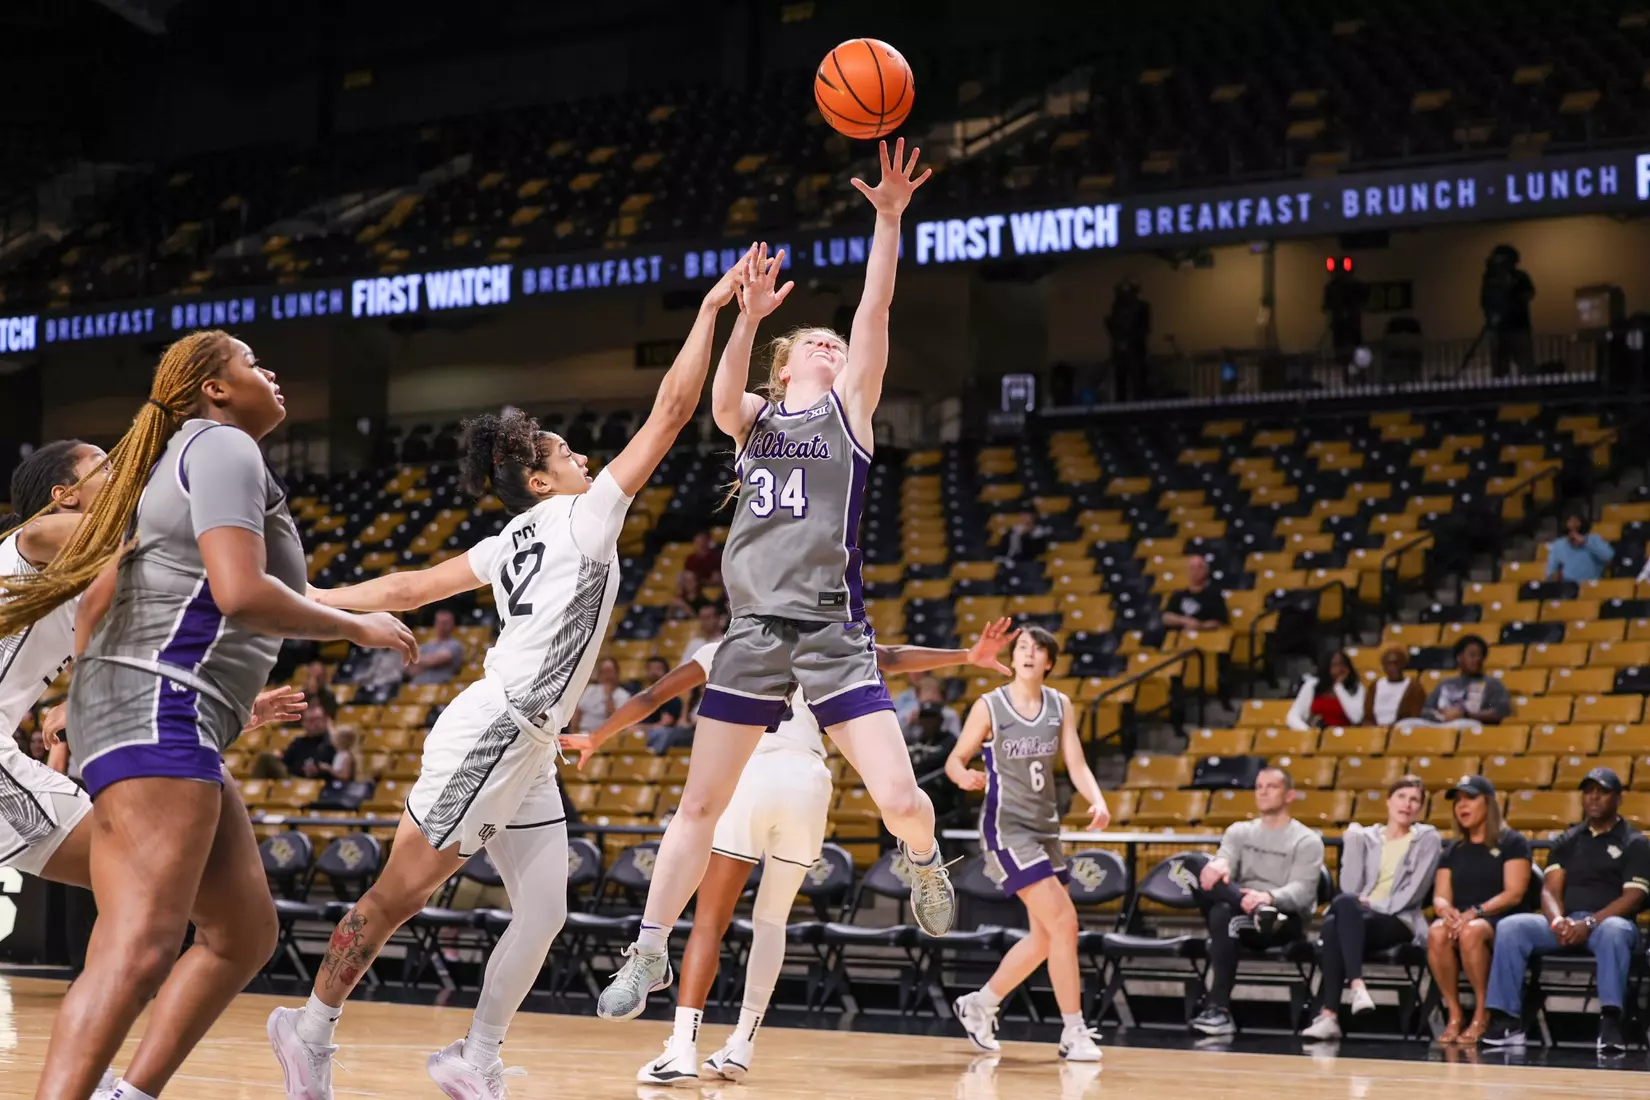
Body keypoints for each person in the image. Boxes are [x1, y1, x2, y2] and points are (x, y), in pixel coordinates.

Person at [268, 249, 751, 1100]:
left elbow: (409, 588)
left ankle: (475, 1056)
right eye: (566, 452)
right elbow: (674, 411)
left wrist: (315, 597)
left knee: (545, 909)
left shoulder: (509, 540)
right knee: (397, 897)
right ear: (539, 480)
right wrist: (710, 310)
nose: (584, 457)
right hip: (497, 727)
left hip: (525, 743)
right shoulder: (581, 516)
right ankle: (308, 1031)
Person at [2, 330, 415, 1100]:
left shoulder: (143, 524)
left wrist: (100, 698)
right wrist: (354, 625)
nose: (121, 472)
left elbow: (117, 610)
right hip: (109, 729)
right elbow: (228, 589)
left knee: (241, 930)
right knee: (140, 936)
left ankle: (126, 1093)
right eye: (102, 469)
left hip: (163, 714)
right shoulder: (62, 532)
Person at [597, 141, 951, 1024]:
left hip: (832, 630)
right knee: (699, 804)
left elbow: (876, 305)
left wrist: (888, 218)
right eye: (815, 341)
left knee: (902, 800)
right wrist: (747, 317)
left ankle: (923, 861)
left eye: (838, 343)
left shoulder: (851, 410)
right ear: (785, 366)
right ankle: (647, 948)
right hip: (751, 630)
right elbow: (721, 402)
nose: (833, 342)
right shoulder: (753, 421)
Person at [565, 619, 1014, 1084]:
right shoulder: (824, 645)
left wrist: (598, 736)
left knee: (709, 922)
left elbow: (651, 697)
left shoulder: (726, 648)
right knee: (772, 921)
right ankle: (742, 1044)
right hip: (808, 783)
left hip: (750, 775)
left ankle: (682, 1048)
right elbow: (892, 657)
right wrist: (966, 655)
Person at [948, 627, 1110, 1062]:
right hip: (1007, 829)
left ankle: (979, 1004)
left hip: (1045, 829)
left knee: (1044, 938)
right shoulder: (990, 705)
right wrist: (962, 775)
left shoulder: (1060, 705)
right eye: (1021, 647)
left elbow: (1076, 762)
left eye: (1037, 649)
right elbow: (955, 759)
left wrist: (1097, 800)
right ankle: (1073, 1031)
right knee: (1066, 922)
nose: (1028, 654)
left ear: (1049, 662)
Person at [1481, 767, 1649, 1052]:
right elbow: (1550, 889)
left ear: (1619, 799)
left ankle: (1611, 1022)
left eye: (1603, 792)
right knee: (1512, 926)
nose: (1594, 797)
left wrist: (1590, 923)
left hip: (1609, 924)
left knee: (1614, 931)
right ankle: (1506, 1020)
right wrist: (1557, 921)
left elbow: (1633, 897)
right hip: (1568, 923)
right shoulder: (1568, 839)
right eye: (1589, 791)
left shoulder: (1634, 842)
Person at [1300, 776, 1440, 1040]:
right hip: (1358, 917)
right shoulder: (1366, 837)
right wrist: (1353, 843)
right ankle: (1355, 989)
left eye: (1414, 800)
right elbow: (1350, 887)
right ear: (1388, 801)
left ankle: (1331, 1013)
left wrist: (1371, 904)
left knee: (1335, 920)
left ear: (1420, 809)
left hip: (1400, 919)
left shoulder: (1427, 839)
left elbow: (1413, 893)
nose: (1407, 804)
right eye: (1401, 797)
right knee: (1339, 913)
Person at [1190, 767, 1326, 1037]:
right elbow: (1224, 861)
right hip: (1244, 910)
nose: (1263, 792)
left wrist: (1269, 898)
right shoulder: (1239, 832)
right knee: (1193, 863)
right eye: (1259, 786)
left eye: (1271, 787)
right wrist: (1219, 865)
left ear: (1289, 795)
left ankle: (1219, 1010)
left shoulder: (1306, 840)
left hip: (1282, 920)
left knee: (1223, 915)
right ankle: (1251, 907)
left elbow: (1303, 892)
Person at [1427, 775, 1532, 1044]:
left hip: (1500, 920)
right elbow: (1441, 896)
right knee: (1437, 932)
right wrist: (1446, 911)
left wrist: (1476, 912)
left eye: (1470, 798)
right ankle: (1454, 1014)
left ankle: (1483, 1013)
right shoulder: (1453, 850)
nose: (1462, 805)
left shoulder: (1512, 842)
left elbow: (1514, 893)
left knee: (1471, 931)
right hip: (1463, 918)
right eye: (1458, 801)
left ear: (1489, 803)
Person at [1417, 635, 1512, 727]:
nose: (1477, 659)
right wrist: (1440, 714)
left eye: (1480, 656)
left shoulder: (1492, 684)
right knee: (1410, 723)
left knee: (1463, 724)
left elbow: (1500, 712)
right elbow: (1427, 709)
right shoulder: (1445, 683)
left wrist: (1465, 714)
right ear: (1459, 658)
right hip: (1439, 723)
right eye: (1472, 655)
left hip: (1469, 726)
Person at [1480, 244, 1535, 378]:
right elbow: (1485, 301)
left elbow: (1527, 295)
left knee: (1526, 367)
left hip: (1518, 328)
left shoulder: (1520, 276)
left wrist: (1511, 289)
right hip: (1499, 331)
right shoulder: (1490, 279)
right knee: (1500, 368)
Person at [1285, 650, 1366, 731]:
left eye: (1343, 665)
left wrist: (1338, 687)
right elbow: (1292, 717)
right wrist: (1310, 733)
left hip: (1346, 735)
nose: (1340, 669)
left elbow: (1356, 718)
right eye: (1335, 665)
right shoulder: (1313, 685)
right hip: (1317, 734)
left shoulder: (1356, 687)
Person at [1160, 555, 1228, 631]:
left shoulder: (1214, 596)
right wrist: (1185, 621)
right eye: (1192, 568)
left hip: (1203, 635)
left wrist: (1199, 626)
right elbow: (1166, 617)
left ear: (1206, 571)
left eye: (1199, 567)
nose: (1195, 571)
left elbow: (1219, 622)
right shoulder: (1178, 595)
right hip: (1178, 634)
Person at [1544, 511, 1613, 582]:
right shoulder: (1559, 544)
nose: (1573, 524)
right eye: (1570, 521)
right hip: (1568, 586)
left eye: (1576, 521)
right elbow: (1550, 572)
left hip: (1592, 584)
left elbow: (1609, 556)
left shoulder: (1594, 539)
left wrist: (1585, 542)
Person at [570, 657, 630, 736]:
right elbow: (578, 712)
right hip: (584, 733)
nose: (607, 675)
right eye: (604, 672)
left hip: (608, 736)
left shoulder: (623, 695)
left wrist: (608, 695)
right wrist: (574, 731)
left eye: (610, 671)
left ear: (617, 673)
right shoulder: (591, 690)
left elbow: (615, 722)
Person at [407, 607, 466, 684]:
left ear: (452, 624)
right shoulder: (427, 645)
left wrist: (420, 661)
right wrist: (425, 660)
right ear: (435, 624)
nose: (443, 626)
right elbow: (410, 667)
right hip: (418, 684)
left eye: (446, 623)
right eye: (440, 622)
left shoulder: (455, 645)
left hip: (441, 685)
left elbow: (438, 659)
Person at [1370, 647, 1426, 727]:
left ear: (1403, 665)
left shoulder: (1414, 688)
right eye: (1389, 664)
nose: (1393, 668)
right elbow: (1368, 716)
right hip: (1375, 730)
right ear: (1384, 667)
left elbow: (1414, 716)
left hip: (1401, 729)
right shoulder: (1375, 686)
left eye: (1396, 663)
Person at [283, 700, 338, 779]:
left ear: (325, 720)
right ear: (303, 723)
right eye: (311, 720)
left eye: (318, 719)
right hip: (297, 781)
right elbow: (285, 766)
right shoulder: (298, 744)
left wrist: (320, 770)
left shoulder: (333, 744)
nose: (315, 724)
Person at [903, 674, 960, 744]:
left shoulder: (950, 715)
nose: (930, 696)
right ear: (917, 695)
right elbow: (904, 741)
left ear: (942, 695)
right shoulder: (913, 714)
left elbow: (956, 740)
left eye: (934, 692)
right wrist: (910, 725)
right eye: (925, 691)